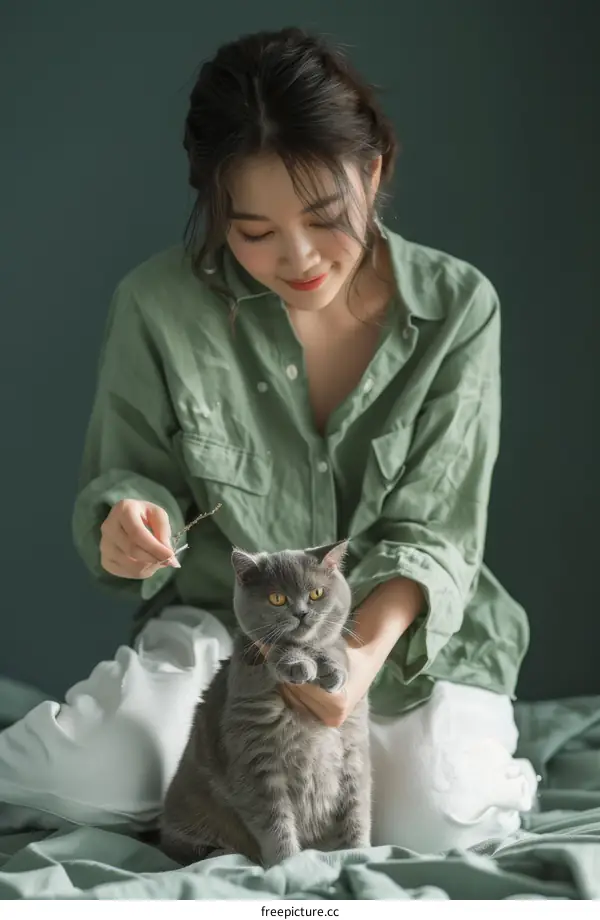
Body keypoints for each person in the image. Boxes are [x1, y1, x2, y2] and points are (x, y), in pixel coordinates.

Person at [0, 26, 538, 854]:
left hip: (399, 643)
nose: (297, 257)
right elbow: (128, 481)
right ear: (217, 212)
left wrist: (350, 667)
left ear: (375, 170)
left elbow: (438, 529)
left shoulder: (460, 307)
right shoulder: (156, 305)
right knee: (80, 776)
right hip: (228, 632)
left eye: (327, 218)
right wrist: (127, 525)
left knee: (442, 818)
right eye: (252, 231)